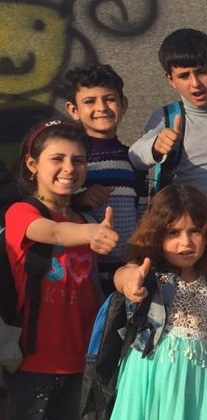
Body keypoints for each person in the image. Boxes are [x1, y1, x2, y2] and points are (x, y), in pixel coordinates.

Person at [128, 28, 207, 291]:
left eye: (202, 71)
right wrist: (156, 146)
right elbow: (135, 156)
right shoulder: (167, 116)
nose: (195, 83)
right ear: (170, 80)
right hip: (179, 244)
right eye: (184, 76)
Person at [4, 120, 117, 420]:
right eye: (57, 159)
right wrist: (92, 234)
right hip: (32, 365)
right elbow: (52, 232)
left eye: (78, 160)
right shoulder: (21, 212)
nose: (69, 168)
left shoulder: (84, 219)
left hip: (84, 364)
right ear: (32, 164)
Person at [110, 185, 207, 419]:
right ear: (156, 234)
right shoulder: (148, 275)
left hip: (199, 387)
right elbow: (123, 275)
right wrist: (130, 282)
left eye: (195, 231)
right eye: (173, 233)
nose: (186, 243)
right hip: (150, 380)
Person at [59, 64, 143, 293]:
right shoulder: (73, 158)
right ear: (73, 109)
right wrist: (81, 198)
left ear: (123, 103)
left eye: (109, 99)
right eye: (89, 101)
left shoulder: (133, 157)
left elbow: (143, 208)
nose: (101, 107)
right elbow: (55, 205)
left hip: (126, 271)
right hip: (83, 270)